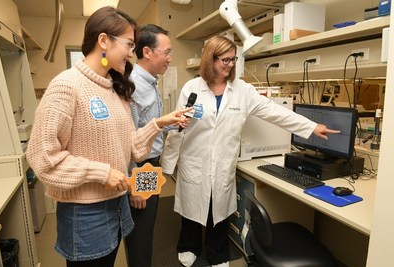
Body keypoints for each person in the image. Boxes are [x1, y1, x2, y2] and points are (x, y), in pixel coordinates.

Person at [26, 7, 190, 267]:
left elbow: (132, 150)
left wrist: (158, 123)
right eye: (128, 44)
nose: (131, 53)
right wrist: (101, 173)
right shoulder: (67, 85)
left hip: (115, 208)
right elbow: (42, 157)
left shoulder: (115, 89)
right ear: (103, 41)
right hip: (85, 213)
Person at [161, 36, 340, 267]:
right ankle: (189, 246)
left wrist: (311, 126)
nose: (230, 64)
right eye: (224, 60)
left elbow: (274, 112)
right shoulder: (192, 88)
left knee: (220, 211)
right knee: (192, 209)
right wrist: (168, 164)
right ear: (210, 59)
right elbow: (177, 129)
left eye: (233, 60)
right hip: (195, 161)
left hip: (223, 163)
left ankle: (218, 254)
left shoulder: (243, 91)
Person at [124, 24, 173, 267]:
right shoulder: (134, 86)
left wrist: (175, 123)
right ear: (147, 52)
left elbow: (150, 125)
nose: (169, 58)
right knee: (140, 234)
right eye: (166, 52)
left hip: (150, 165)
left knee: (147, 226)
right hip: (141, 167)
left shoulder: (151, 83)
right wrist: (135, 185)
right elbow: (129, 139)